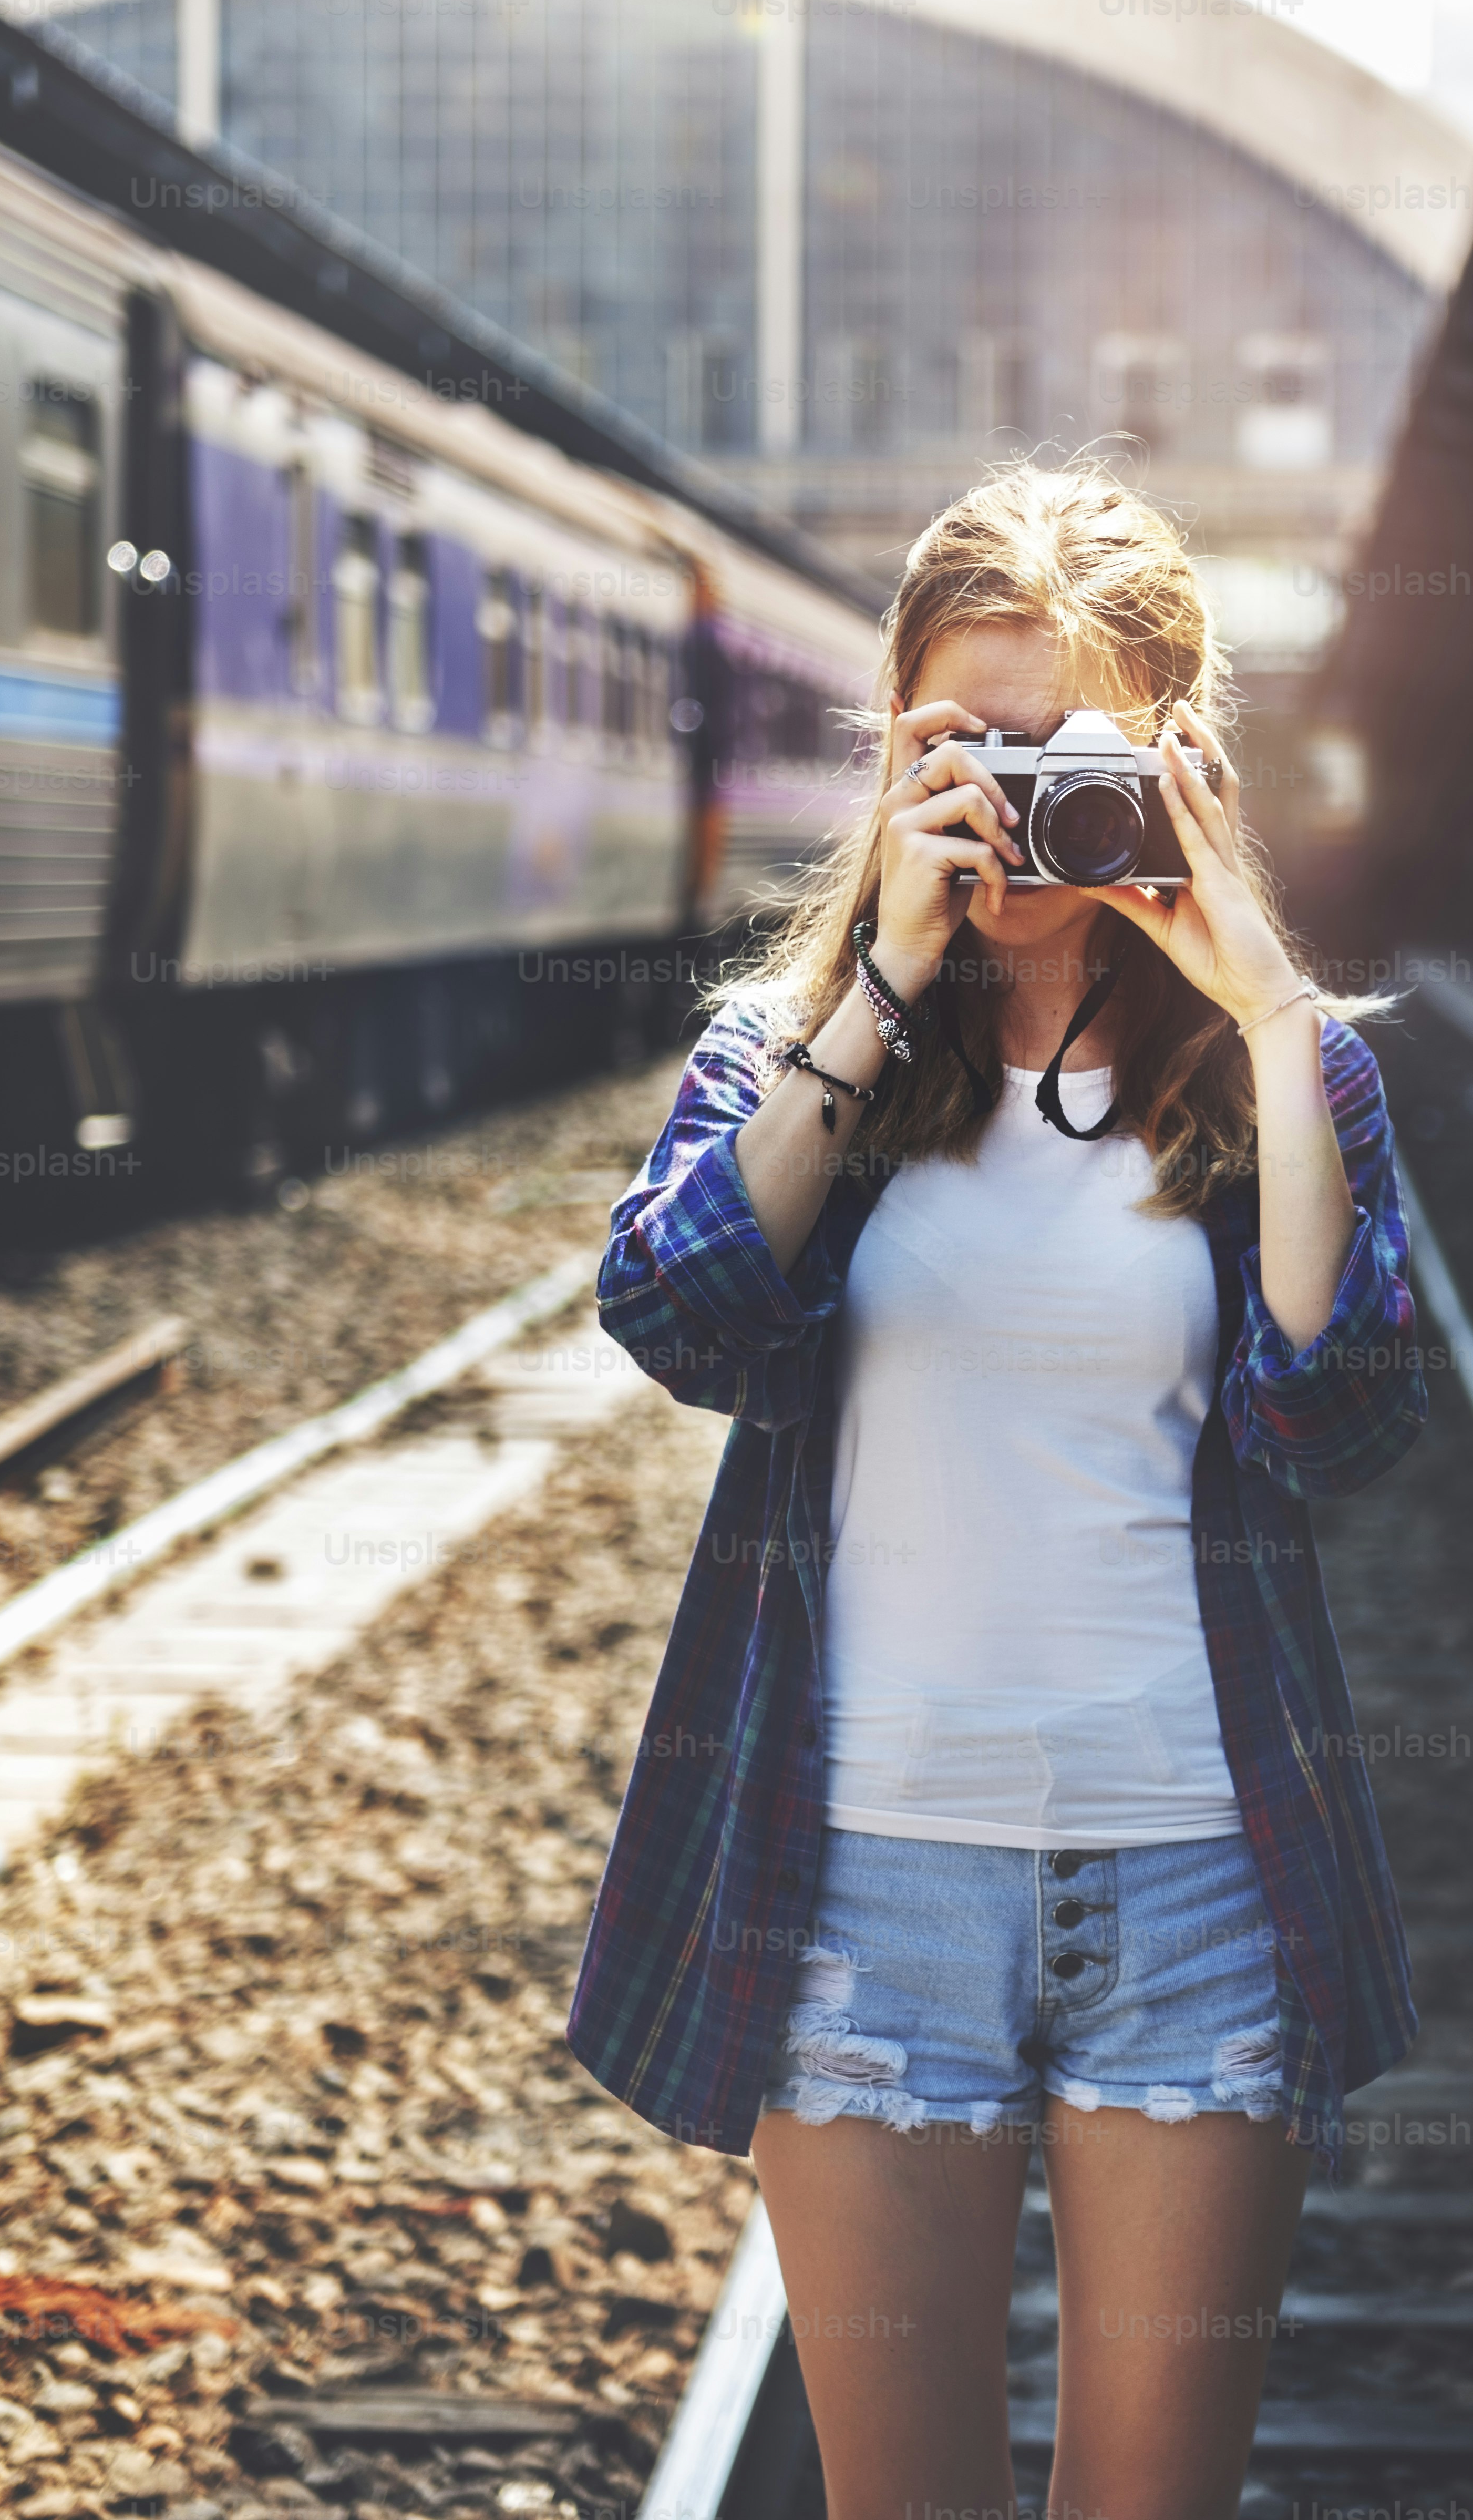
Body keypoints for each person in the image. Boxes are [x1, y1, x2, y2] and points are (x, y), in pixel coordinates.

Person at [565, 460, 1425, 2520]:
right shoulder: (796, 1054)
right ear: (892, 743)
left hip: (1198, 1894)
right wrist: (882, 976)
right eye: (969, 742)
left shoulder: (1278, 1076)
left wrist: (1267, 995)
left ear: (1180, 746)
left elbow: (1345, 1421)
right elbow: (678, 1315)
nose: (1021, 803)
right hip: (869, 1891)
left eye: (1072, 750)